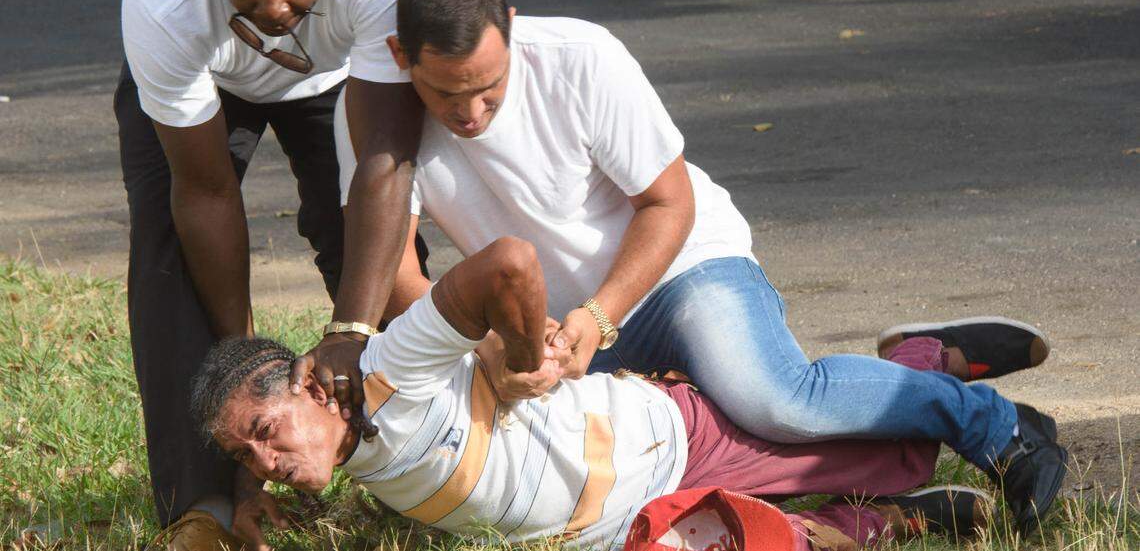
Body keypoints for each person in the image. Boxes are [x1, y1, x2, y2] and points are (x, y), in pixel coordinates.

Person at [331, 0, 1068, 537]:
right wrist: (494, 348)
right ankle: (917, 370)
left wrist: (596, 318)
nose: (470, 112)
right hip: (559, 332)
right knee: (682, 477)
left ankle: (1002, 428)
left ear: (513, 29)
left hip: (681, 268)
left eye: (489, 88)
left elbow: (668, 202)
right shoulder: (370, 120)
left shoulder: (580, 56)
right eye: (445, 95)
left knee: (774, 400)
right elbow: (396, 268)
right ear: (400, 55)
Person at [193, 237, 996, 551]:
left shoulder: (392, 362)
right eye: (246, 455)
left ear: (311, 380)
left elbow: (508, 262)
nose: (267, 460)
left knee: (871, 435)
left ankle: (926, 360)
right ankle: (888, 520)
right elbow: (267, 461)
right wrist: (247, 502)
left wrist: (516, 352)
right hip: (622, 528)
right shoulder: (329, 451)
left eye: (267, 431)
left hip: (667, 441)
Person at [115, 0, 432, 547]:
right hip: (208, 78)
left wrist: (350, 329)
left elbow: (384, 162)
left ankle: (422, 459)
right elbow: (204, 194)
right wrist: (245, 365)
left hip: (343, 75)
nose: (274, 8)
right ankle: (203, 506)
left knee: (373, 255)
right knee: (171, 254)